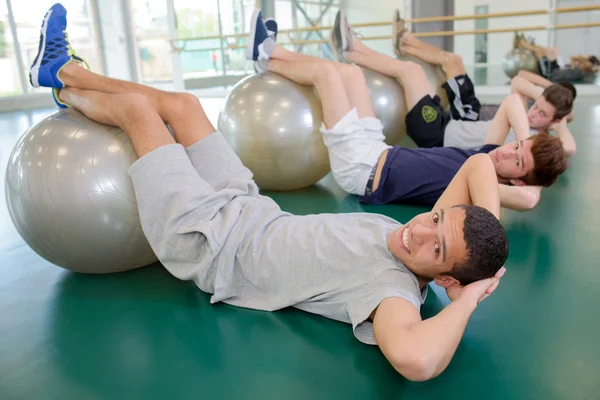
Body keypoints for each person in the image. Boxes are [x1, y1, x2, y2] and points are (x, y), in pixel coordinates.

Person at [30, 4, 508, 382]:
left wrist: (470, 296)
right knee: (184, 104)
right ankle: (63, 70)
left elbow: (416, 360)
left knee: (139, 111)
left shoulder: (392, 291)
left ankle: (63, 82)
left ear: (443, 280)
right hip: (249, 206)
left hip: (208, 240)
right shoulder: (413, 236)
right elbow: (480, 163)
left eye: (438, 248)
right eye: (437, 219)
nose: (421, 229)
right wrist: (481, 257)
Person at [252, 10, 567, 211]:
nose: (507, 154)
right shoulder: (490, 152)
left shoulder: (489, 186)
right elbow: (513, 102)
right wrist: (528, 145)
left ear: (521, 181)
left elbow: (529, 199)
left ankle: (268, 54)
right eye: (514, 147)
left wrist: (533, 166)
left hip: (362, 170)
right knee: (352, 73)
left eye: (517, 162)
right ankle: (270, 56)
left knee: (328, 76)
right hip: (378, 149)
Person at [358, 10, 577, 156]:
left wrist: (560, 124)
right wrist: (546, 96)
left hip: (444, 130)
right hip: (450, 121)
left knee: (414, 69)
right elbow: (519, 79)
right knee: (441, 64)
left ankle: (355, 50)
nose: (533, 113)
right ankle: (399, 45)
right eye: (536, 107)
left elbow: (568, 147)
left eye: (542, 115)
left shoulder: (532, 139)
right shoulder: (521, 114)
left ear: (553, 121)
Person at [514, 33, 599, 82]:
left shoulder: (582, 70)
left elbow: (573, 58)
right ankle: (528, 44)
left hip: (552, 74)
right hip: (556, 70)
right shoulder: (581, 70)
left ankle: (525, 44)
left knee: (547, 52)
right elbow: (572, 61)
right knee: (550, 51)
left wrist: (582, 59)